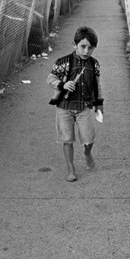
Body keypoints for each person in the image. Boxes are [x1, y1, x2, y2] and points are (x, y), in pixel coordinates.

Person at [47, 26, 104, 182]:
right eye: (83, 46)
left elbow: (97, 86)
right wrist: (62, 85)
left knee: (89, 137)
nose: (86, 51)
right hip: (64, 108)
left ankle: (87, 153)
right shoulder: (63, 62)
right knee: (67, 139)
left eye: (90, 48)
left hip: (83, 107)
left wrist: (99, 105)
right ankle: (71, 169)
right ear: (75, 45)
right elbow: (50, 79)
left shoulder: (94, 64)